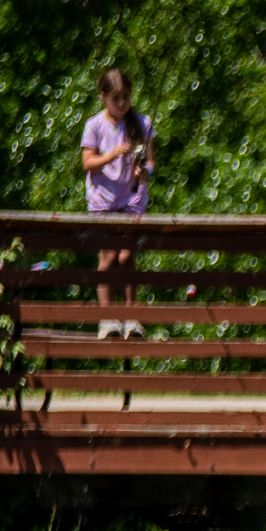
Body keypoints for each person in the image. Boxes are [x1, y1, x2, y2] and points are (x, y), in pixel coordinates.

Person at [80, 68, 156, 340]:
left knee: (127, 256)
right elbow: (87, 163)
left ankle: (132, 317)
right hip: (103, 200)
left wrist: (144, 171)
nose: (122, 103)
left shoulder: (142, 123)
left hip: (132, 198)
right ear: (103, 97)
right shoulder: (94, 126)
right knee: (108, 257)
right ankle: (106, 319)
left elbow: (150, 160)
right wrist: (112, 154)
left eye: (126, 97)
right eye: (116, 98)